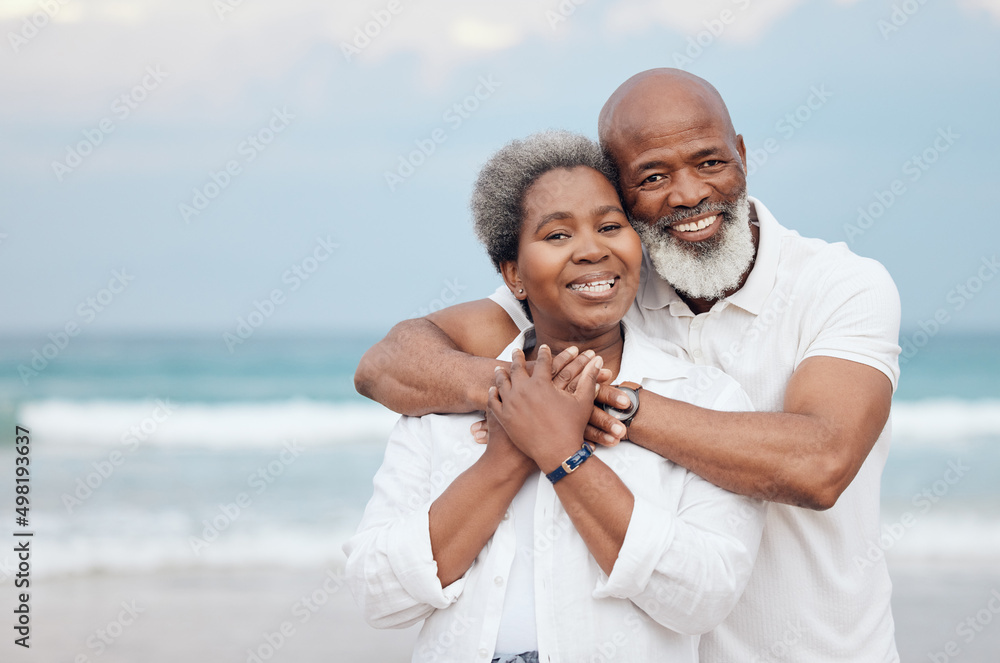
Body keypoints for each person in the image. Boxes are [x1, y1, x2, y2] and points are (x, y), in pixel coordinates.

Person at [354, 69, 903, 662]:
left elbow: (819, 464)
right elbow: (389, 364)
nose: (689, 194)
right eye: (653, 176)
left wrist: (600, 404)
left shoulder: (839, 285)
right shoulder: (608, 284)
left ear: (742, 154)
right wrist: (524, 398)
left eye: (710, 162)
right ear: (620, 189)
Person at [344, 131, 766, 663]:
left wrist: (565, 458)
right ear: (514, 276)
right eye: (558, 235)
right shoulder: (443, 406)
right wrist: (504, 456)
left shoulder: (706, 398)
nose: (592, 249)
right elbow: (378, 594)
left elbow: (704, 598)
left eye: (611, 227)